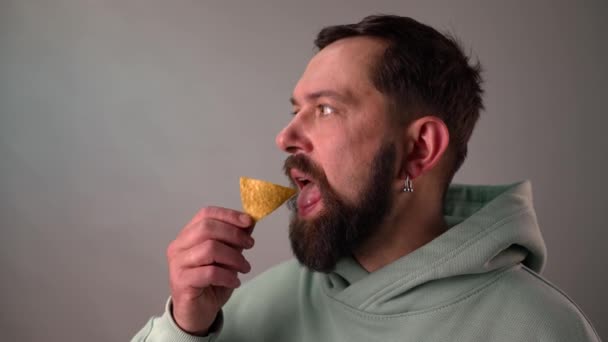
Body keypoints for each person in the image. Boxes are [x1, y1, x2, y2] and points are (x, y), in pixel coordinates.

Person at [132, 15, 600, 341]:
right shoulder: (246, 307)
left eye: (326, 109)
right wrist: (184, 329)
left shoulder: (542, 330)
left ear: (418, 150)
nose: (285, 136)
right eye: (296, 110)